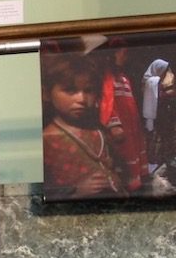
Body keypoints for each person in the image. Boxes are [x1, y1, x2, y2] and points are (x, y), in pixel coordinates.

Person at [41, 54, 124, 199]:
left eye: (88, 90)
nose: (82, 99)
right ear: (46, 94)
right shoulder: (46, 140)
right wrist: (75, 193)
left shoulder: (98, 131)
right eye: (70, 90)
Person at [98, 43, 148, 192]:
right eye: (123, 53)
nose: (126, 57)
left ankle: (136, 183)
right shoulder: (106, 76)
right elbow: (105, 101)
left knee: (133, 150)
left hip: (131, 123)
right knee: (123, 156)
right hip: (120, 125)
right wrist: (113, 124)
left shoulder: (124, 77)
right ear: (113, 53)